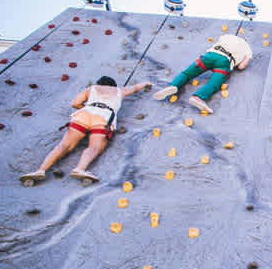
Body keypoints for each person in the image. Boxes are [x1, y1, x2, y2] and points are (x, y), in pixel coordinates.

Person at [19, 77, 152, 184]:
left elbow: (75, 103)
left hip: (84, 114)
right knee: (94, 147)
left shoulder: (91, 88)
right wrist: (146, 83)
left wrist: (87, 106)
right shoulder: (119, 91)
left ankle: (41, 170)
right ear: (113, 84)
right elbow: (135, 88)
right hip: (103, 116)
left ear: (99, 83)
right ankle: (80, 169)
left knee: (64, 145)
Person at [152, 33, 253, 114]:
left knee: (187, 74)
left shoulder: (226, 36)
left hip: (210, 55)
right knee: (213, 83)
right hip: (224, 62)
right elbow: (241, 67)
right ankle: (198, 97)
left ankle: (173, 85)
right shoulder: (248, 49)